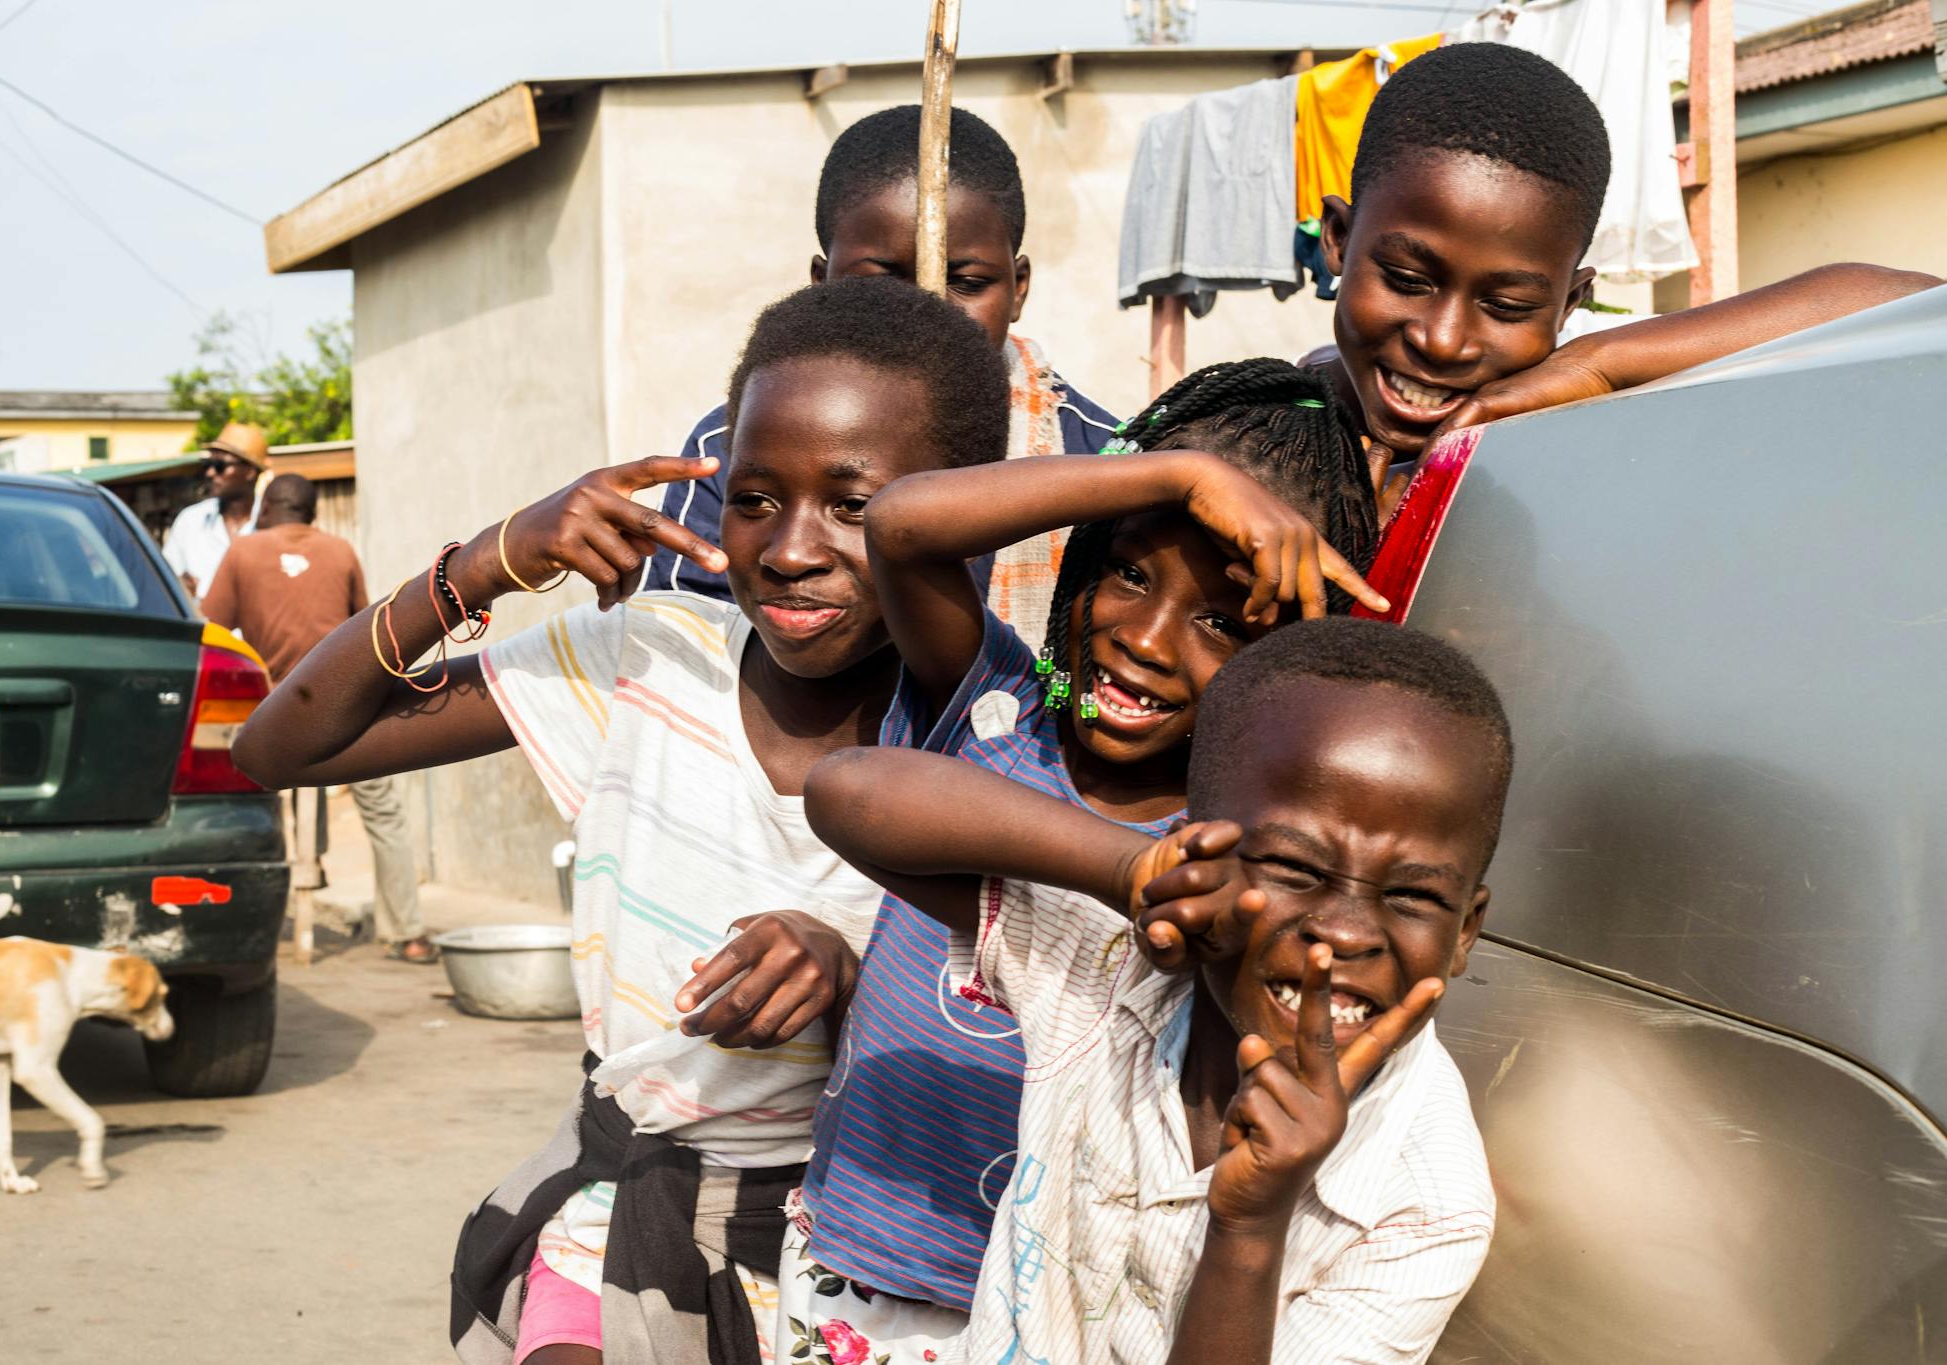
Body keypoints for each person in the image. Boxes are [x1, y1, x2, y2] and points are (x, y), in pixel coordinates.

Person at [233, 278, 1035, 1365]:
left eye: (853, 507)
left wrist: (849, 974)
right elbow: (282, 748)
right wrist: (487, 561)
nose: (789, 549)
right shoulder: (650, 657)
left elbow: (1029, 1038)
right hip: (617, 1212)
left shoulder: (998, 741)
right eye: (755, 498)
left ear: (959, 518)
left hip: (872, 1258)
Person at [721, 360, 1388, 1361]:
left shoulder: (1225, 854)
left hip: (1049, 1320)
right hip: (850, 1280)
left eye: (1220, 621)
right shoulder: (1002, 708)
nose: (1145, 639)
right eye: (1129, 573)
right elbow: (900, 524)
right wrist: (1177, 476)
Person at [802, 616, 1514, 1363]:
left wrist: (1248, 1230)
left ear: (1466, 929)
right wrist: (1126, 869)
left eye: (1412, 896)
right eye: (1295, 869)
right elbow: (846, 791)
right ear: (1194, 852)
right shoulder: (1115, 962)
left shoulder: (1425, 1208)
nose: (1343, 933)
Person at [1308, 42, 1940, 485]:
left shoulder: (1590, 383)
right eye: (1407, 281)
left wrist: (1596, 366)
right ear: (1337, 238)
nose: (1444, 341)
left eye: (1507, 307)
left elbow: (1914, 301)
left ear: (1570, 304)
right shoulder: (1288, 409)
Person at [641, 104, 1119, 649]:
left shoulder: (1103, 463)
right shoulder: (736, 448)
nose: (926, 312)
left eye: (965, 283)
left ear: (1019, 288)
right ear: (822, 282)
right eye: (882, 282)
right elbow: (695, 648)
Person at [200, 473, 435, 964]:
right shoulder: (341, 551)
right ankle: (407, 933)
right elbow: (367, 629)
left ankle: (241, 917)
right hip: (350, 706)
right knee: (384, 813)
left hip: (276, 713)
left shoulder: (243, 552)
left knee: (252, 800)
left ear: (267, 509)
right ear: (313, 513)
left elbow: (211, 629)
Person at [164, 421, 267, 599]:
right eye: (208, 464)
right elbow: (165, 584)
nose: (210, 473)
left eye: (220, 466)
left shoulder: (271, 523)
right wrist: (180, 586)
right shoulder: (189, 522)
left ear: (250, 472)